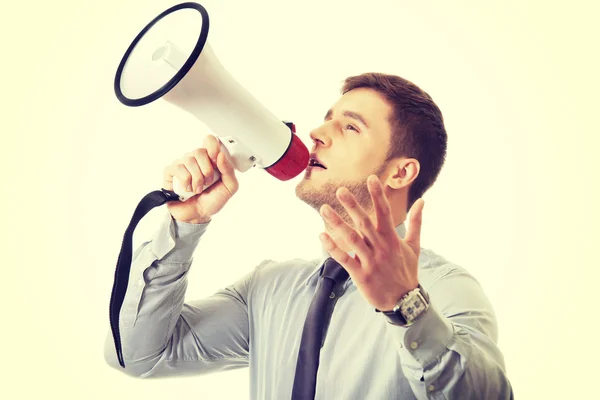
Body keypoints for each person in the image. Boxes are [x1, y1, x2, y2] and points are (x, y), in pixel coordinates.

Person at [104, 72, 513, 399]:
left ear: (400, 172)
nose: (317, 132)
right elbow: (138, 356)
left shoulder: (446, 291)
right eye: (327, 117)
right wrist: (185, 224)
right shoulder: (268, 290)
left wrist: (406, 307)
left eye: (350, 127)